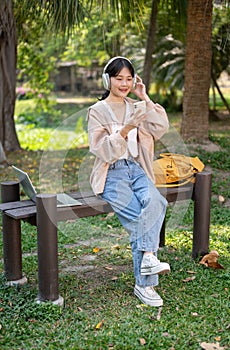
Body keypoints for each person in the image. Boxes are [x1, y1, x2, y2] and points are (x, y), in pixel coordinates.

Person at [87, 56, 170, 307]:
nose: (124, 84)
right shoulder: (97, 111)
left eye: (128, 79)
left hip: (136, 168)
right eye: (118, 78)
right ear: (107, 80)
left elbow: (160, 127)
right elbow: (102, 150)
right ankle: (145, 286)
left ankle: (146, 260)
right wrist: (125, 129)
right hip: (112, 173)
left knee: (158, 202)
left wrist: (144, 98)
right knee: (139, 220)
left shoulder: (137, 105)